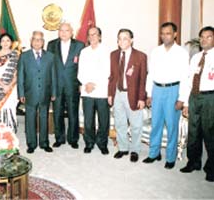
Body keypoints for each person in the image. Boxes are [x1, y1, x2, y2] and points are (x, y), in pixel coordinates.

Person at [143, 22, 189, 169]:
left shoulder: (182, 52)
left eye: (168, 33)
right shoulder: (156, 51)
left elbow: (185, 77)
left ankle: (170, 157)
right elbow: (151, 74)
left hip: (173, 90)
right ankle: (153, 153)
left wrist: (182, 98)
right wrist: (149, 94)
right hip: (157, 89)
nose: (164, 36)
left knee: (171, 125)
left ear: (175, 34)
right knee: (155, 123)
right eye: (162, 33)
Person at [180, 26, 214, 182]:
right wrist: (186, 103)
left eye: (208, 37)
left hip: (210, 98)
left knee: (210, 133)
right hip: (194, 97)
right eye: (202, 37)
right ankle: (193, 162)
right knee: (193, 133)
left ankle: (211, 168)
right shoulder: (195, 58)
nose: (204, 40)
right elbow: (188, 81)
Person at [108, 29, 147, 162]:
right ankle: (123, 148)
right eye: (119, 38)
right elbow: (112, 77)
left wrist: (142, 98)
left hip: (133, 94)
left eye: (125, 38)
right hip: (118, 94)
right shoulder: (113, 55)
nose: (122, 41)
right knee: (119, 123)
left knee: (136, 125)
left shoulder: (140, 56)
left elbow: (143, 79)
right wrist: (110, 94)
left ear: (131, 40)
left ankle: (135, 150)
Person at [17, 31, 57, 153]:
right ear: (31, 41)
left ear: (43, 42)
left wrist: (54, 92)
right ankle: (31, 143)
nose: (37, 42)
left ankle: (44, 143)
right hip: (30, 93)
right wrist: (21, 93)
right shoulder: (24, 56)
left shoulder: (50, 56)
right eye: (35, 39)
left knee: (44, 117)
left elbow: (53, 76)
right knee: (30, 118)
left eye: (40, 40)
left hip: (45, 92)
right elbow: (20, 76)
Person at [47, 22, 84, 149]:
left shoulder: (79, 45)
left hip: (72, 85)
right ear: (58, 32)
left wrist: (80, 84)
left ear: (71, 32)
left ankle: (73, 139)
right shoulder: (51, 45)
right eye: (61, 30)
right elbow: (49, 67)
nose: (63, 33)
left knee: (73, 113)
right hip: (56, 85)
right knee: (58, 112)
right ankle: (59, 138)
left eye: (66, 30)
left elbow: (82, 67)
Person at [77, 26, 110, 155]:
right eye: (89, 35)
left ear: (100, 36)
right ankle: (89, 142)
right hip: (87, 91)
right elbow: (80, 72)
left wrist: (94, 84)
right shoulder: (84, 52)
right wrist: (87, 83)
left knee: (103, 120)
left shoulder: (106, 51)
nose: (92, 37)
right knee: (88, 120)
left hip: (101, 91)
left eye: (94, 34)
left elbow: (107, 71)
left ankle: (102, 143)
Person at [0, 33, 19, 132]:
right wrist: (3, 85)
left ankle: (10, 131)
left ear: (11, 43)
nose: (5, 43)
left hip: (11, 88)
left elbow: (16, 73)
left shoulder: (16, 55)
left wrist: (9, 85)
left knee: (9, 108)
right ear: (0, 43)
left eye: (8, 40)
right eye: (3, 40)